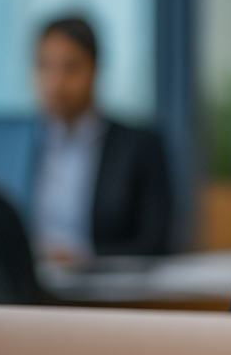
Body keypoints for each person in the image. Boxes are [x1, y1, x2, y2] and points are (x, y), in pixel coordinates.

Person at [33, 16, 171, 259]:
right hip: (20, 290)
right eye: (45, 66)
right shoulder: (21, 145)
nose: (56, 82)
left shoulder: (139, 146)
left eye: (71, 67)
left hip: (106, 289)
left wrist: (81, 258)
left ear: (95, 68)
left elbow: (155, 243)